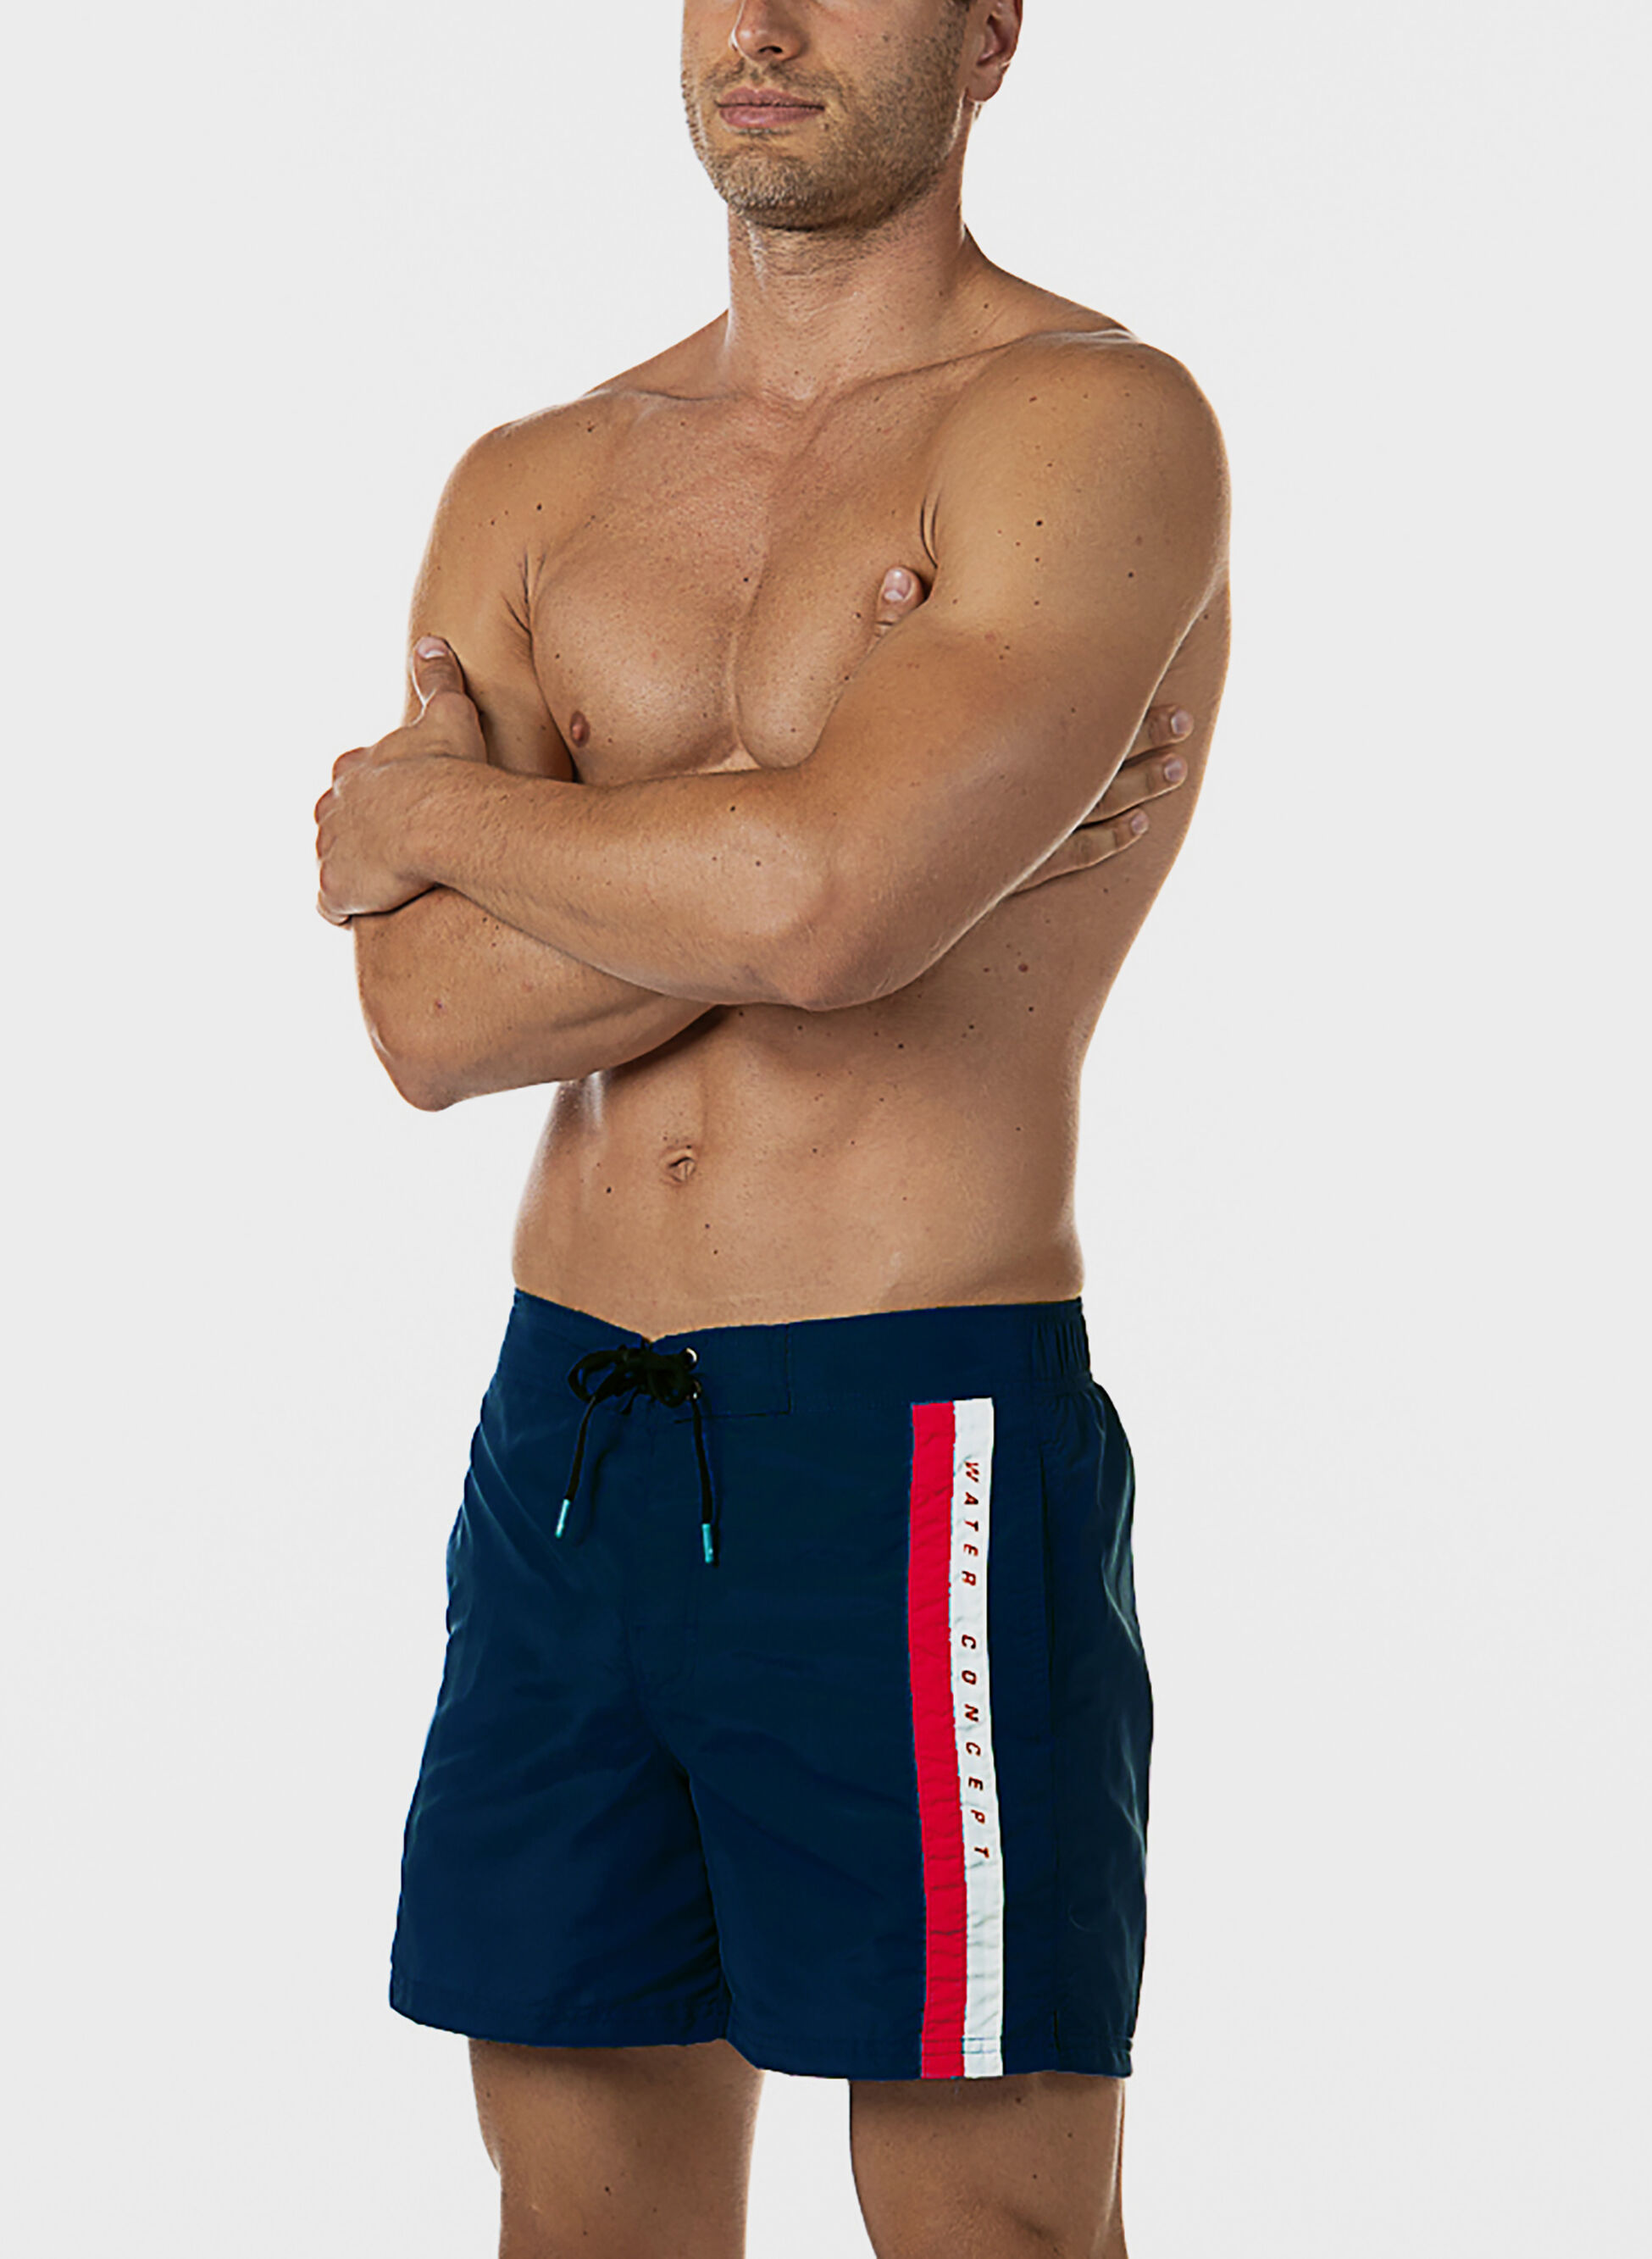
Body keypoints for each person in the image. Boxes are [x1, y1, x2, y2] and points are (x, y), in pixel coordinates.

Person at [313, 3, 1230, 2251]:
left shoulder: (1090, 426)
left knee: (990, 2217)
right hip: (568, 1430)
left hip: (905, 1424)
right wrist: (804, 825)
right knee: (578, 2194)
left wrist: (447, 819)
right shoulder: (537, 477)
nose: (770, 24)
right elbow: (423, 1015)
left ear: (990, 32)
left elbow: (835, 911)